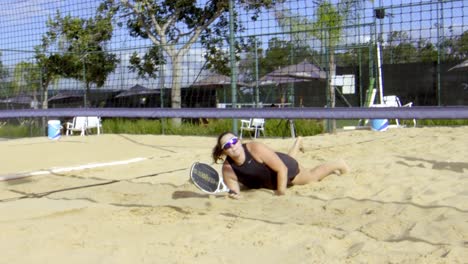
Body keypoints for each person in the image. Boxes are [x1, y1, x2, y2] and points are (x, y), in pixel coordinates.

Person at [212, 131, 349, 199]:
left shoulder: (255, 148)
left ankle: (338, 164)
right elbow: (236, 193)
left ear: (239, 140)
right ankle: (297, 143)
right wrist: (234, 196)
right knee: (281, 160)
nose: (233, 146)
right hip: (270, 173)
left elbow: (282, 168)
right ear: (224, 151)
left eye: (234, 141)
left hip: (284, 170)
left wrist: (280, 192)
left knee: (312, 177)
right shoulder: (228, 169)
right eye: (227, 145)